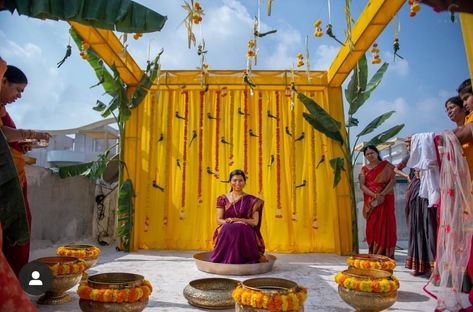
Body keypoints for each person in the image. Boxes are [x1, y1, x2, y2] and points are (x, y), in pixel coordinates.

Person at [0, 65, 49, 276]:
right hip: (5, 181)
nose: (19, 96)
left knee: (20, 225)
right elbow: (2, 133)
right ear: (3, 81)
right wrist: (30, 133)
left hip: (13, 178)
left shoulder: (2, 109)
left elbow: (6, 141)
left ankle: (14, 278)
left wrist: (21, 144)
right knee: (12, 229)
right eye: (18, 90)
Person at [210, 169, 266, 264]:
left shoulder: (252, 200)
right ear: (230, 182)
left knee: (239, 228)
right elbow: (219, 220)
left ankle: (242, 259)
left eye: (240, 180)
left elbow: (255, 222)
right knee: (228, 228)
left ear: (244, 182)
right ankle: (223, 258)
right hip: (226, 228)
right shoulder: (222, 199)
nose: (237, 183)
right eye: (234, 180)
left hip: (245, 229)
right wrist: (234, 223)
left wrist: (238, 220)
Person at [359, 145, 397, 258]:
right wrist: (375, 195)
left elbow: (392, 181)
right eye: (367, 154)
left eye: (372, 153)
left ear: (377, 153)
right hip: (372, 201)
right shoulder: (364, 169)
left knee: (387, 223)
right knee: (372, 225)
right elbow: (362, 185)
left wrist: (382, 194)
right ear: (365, 156)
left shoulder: (387, 166)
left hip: (386, 198)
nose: (370, 155)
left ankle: (387, 252)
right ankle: (374, 251)